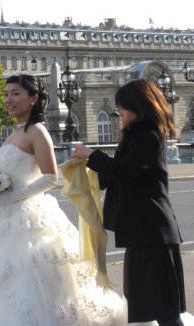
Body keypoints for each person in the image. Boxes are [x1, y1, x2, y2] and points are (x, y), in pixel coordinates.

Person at [0, 74, 133, 325]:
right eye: (6, 94)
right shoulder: (16, 131)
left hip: (28, 217)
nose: (9, 99)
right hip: (3, 217)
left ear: (33, 98)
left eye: (16, 94)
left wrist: (13, 196)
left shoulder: (37, 131)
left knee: (30, 279)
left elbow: (51, 177)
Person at [72, 79, 187, 326]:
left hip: (153, 233)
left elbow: (123, 171)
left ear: (139, 106)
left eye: (123, 107)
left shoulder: (149, 136)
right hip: (142, 233)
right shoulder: (136, 137)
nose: (119, 114)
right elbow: (112, 177)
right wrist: (83, 168)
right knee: (144, 302)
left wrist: (92, 155)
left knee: (165, 309)